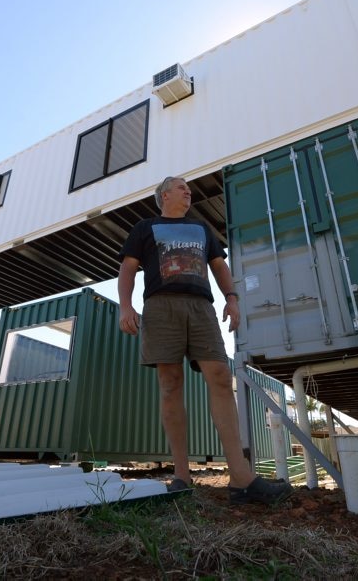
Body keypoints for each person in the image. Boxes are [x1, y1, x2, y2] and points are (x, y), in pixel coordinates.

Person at [118, 175, 293, 505]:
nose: (189, 192)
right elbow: (128, 268)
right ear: (164, 194)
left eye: (189, 189)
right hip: (160, 306)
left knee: (220, 378)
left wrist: (232, 297)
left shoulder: (201, 228)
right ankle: (182, 477)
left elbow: (218, 264)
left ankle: (241, 478)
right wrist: (125, 306)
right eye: (182, 187)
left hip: (201, 308)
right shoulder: (145, 227)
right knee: (170, 383)